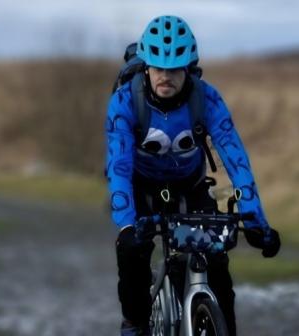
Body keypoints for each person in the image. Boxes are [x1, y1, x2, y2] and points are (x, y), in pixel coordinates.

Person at [105, 15, 281, 336]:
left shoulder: (208, 99)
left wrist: (257, 222)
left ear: (189, 67)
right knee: (132, 255)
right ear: (146, 66)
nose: (165, 76)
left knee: (216, 267)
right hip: (140, 186)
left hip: (190, 185)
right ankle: (133, 325)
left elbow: (237, 160)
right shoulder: (125, 101)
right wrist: (127, 226)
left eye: (174, 69)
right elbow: (119, 167)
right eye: (158, 67)